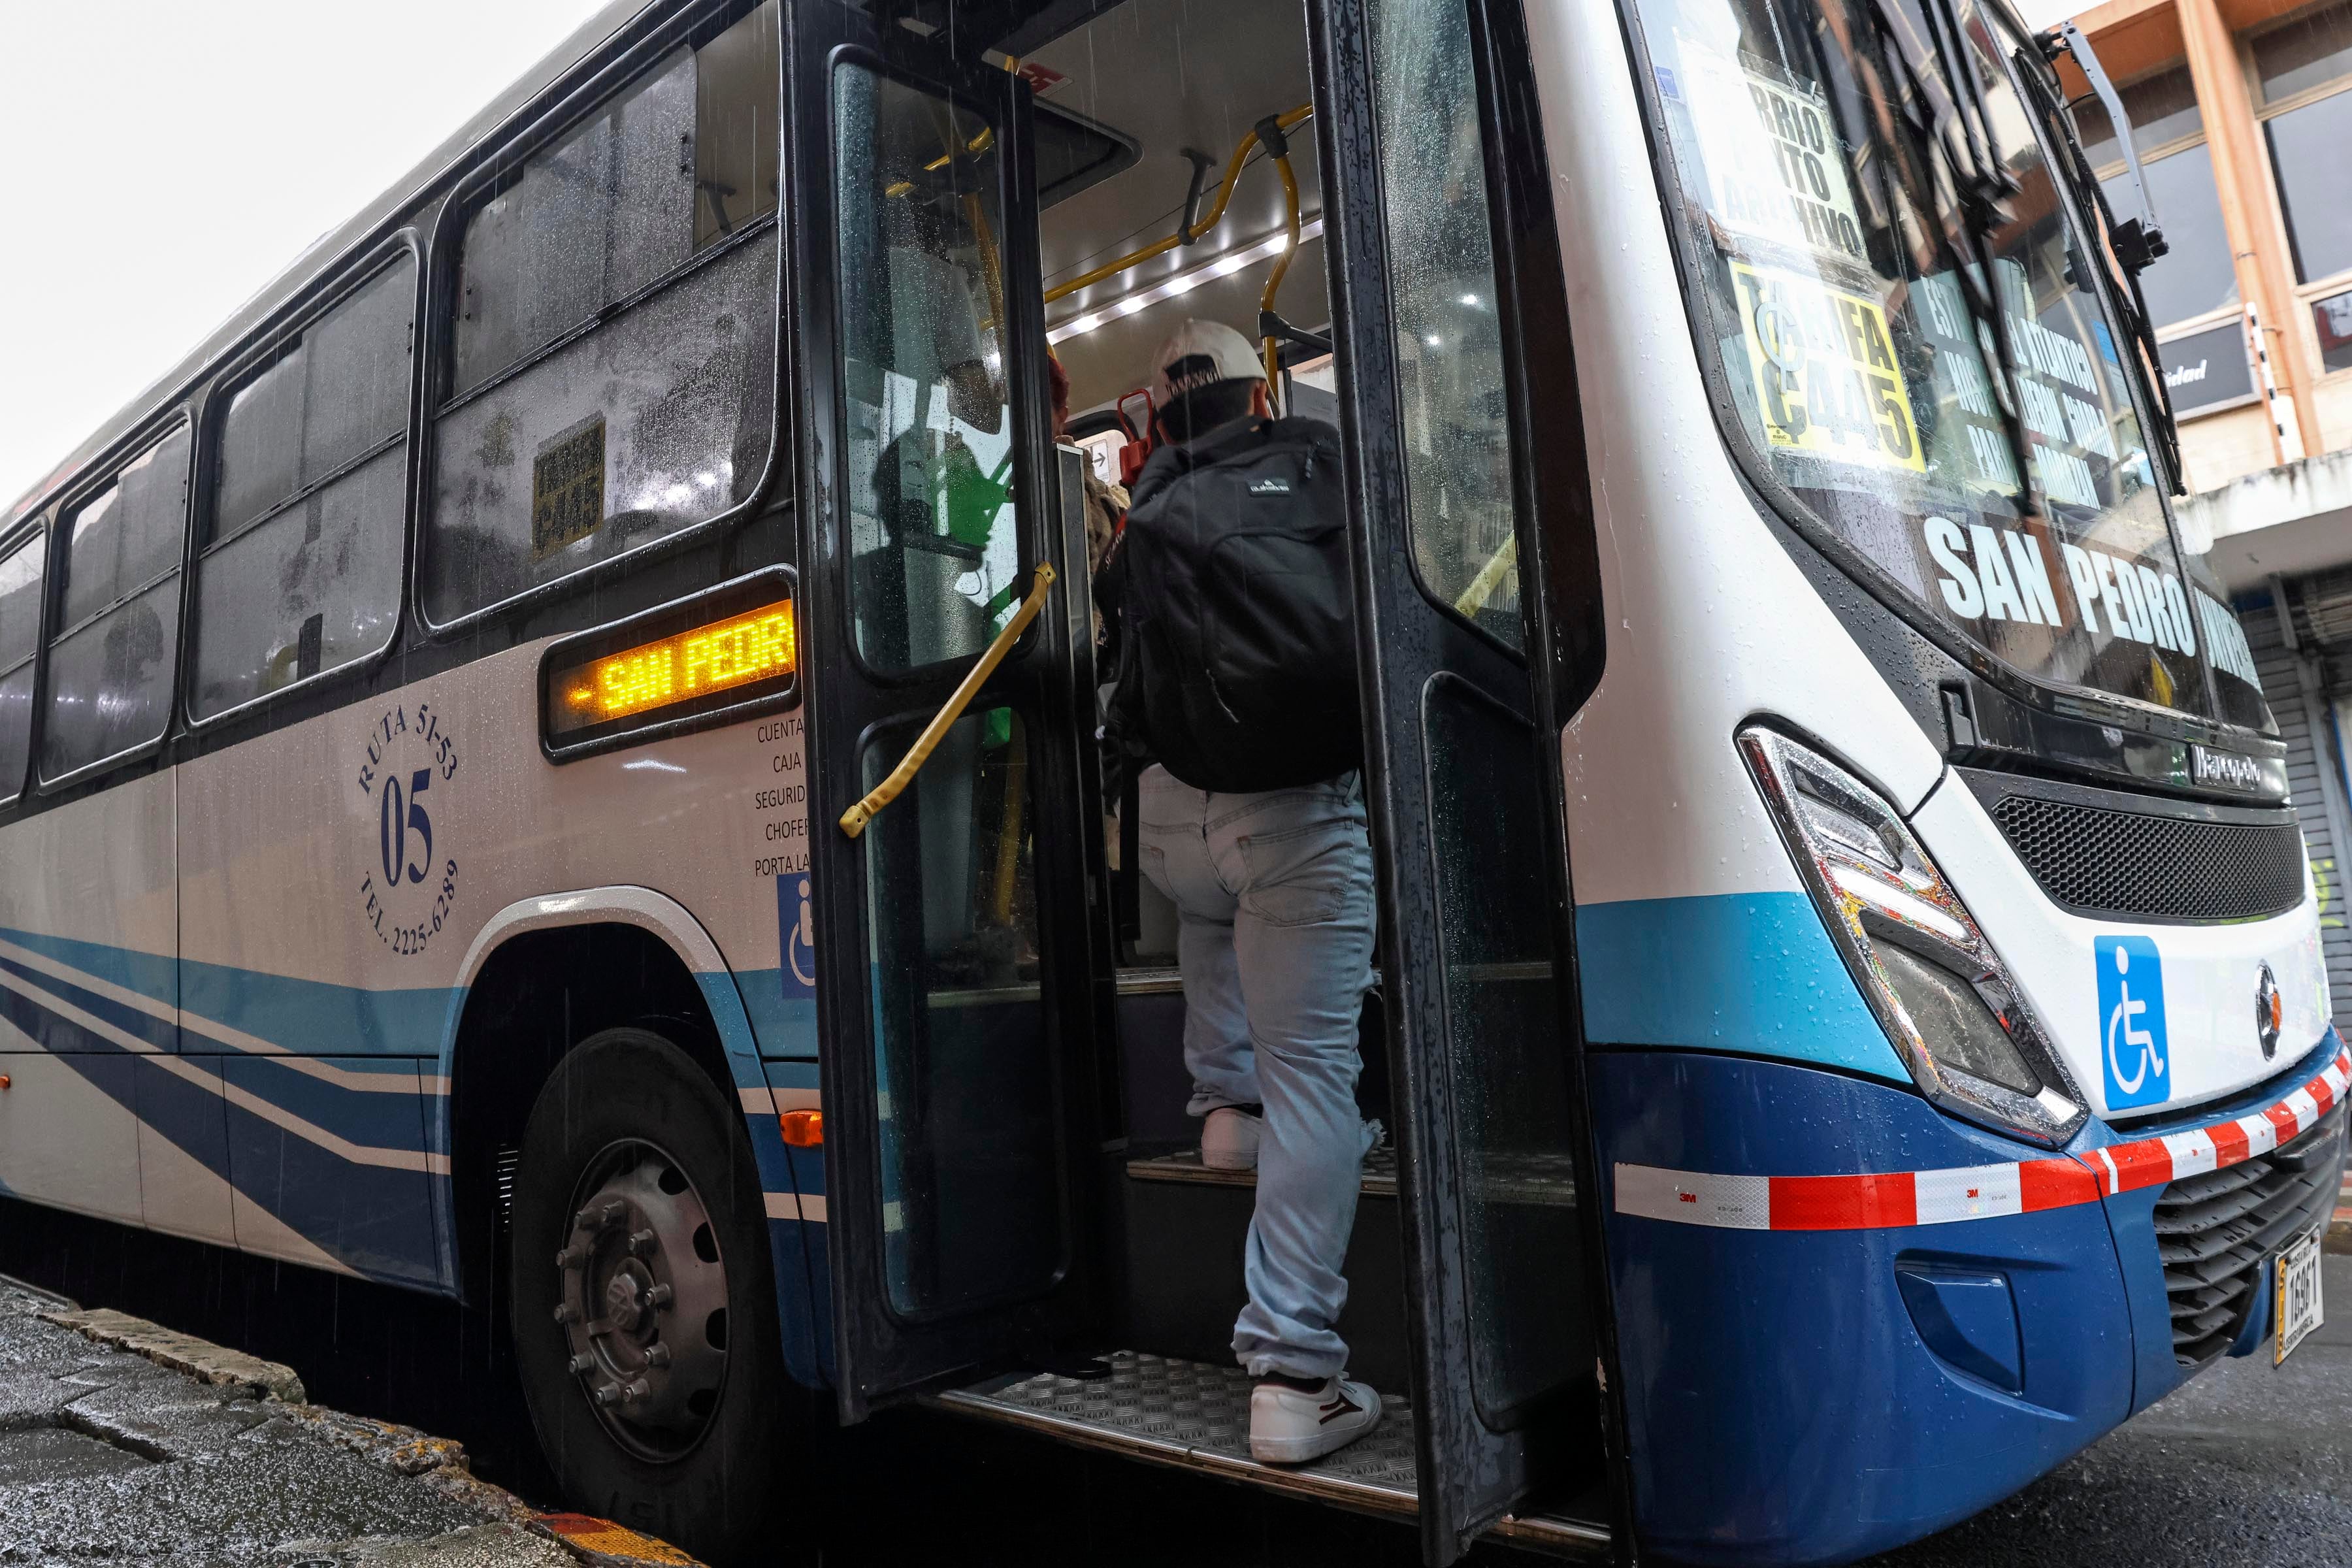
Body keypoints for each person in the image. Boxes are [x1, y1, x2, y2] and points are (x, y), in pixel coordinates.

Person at [1098, 319, 1381, 1466]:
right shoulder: (1324, 461)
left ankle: (1224, 1117)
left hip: (1172, 817)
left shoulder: (1149, 510)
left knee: (1216, 921)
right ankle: (1292, 1373)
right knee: (1317, 1074)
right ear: (1262, 388)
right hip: (1294, 810)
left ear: (1159, 411)